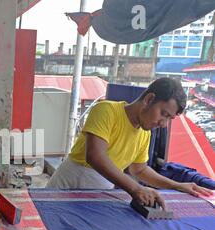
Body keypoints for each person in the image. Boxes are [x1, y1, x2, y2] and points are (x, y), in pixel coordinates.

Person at [47, 77, 212, 209]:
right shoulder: (106, 110)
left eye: (169, 118)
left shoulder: (144, 134)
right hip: (70, 181)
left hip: (102, 188)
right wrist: (135, 189)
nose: (163, 123)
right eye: (163, 114)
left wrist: (177, 185)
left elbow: (139, 169)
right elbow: (95, 156)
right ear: (149, 99)